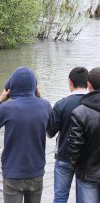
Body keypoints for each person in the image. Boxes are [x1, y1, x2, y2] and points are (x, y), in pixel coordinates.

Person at [0, 67, 52, 203]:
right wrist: (39, 97)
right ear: (35, 86)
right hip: (36, 172)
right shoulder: (45, 106)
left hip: (13, 173)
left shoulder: (7, 108)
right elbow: (51, 129)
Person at [46, 67, 88, 203]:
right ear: (88, 83)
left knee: (60, 196)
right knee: (84, 198)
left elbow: (50, 133)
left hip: (64, 156)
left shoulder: (61, 104)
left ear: (70, 82)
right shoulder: (92, 103)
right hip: (86, 159)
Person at [68, 67, 100, 203]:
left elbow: (74, 147)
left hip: (88, 174)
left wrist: (76, 164)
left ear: (89, 85)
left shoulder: (80, 112)